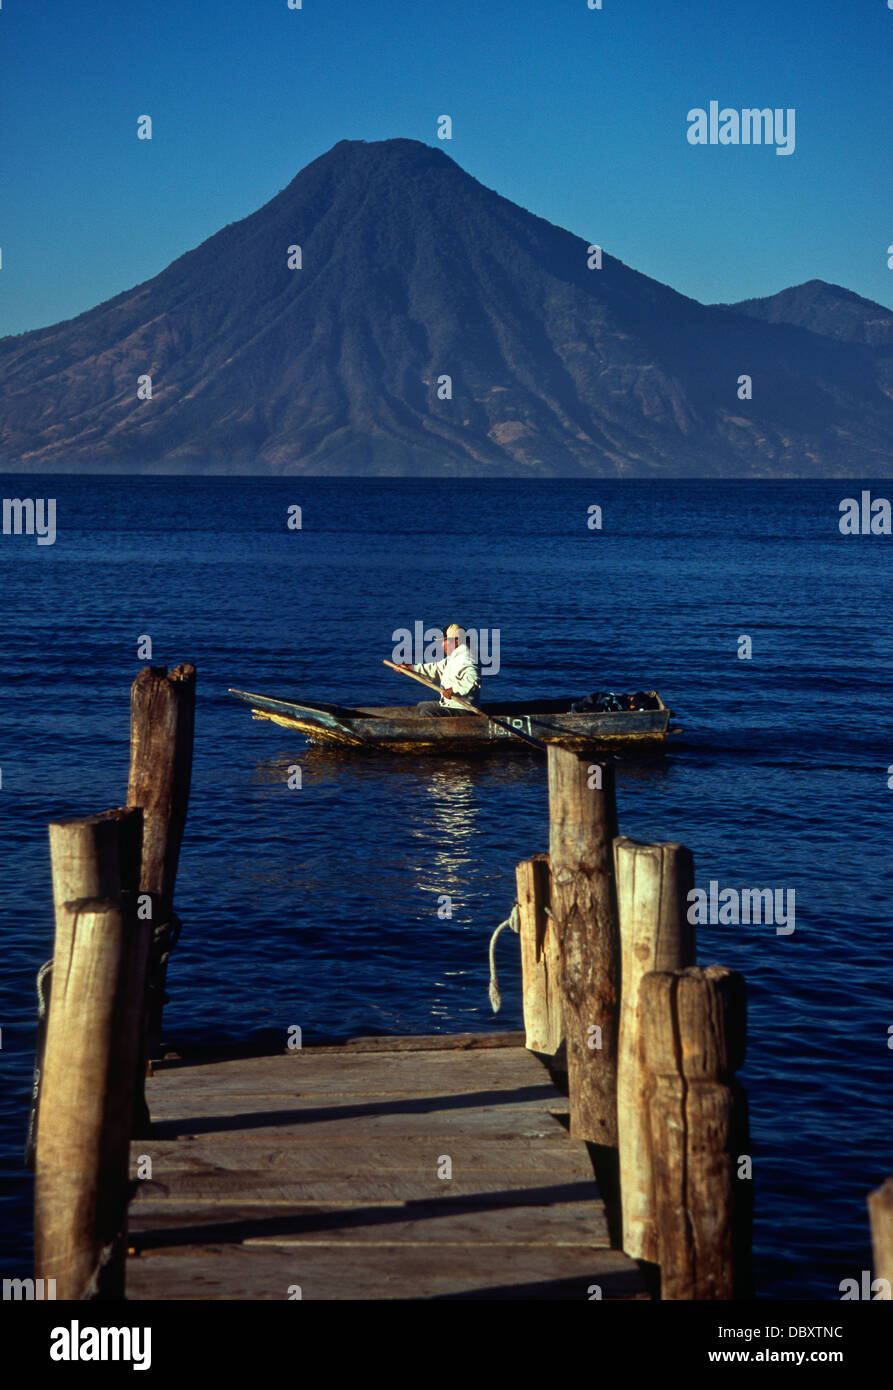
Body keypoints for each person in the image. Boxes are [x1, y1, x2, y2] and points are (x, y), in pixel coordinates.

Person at [402, 623, 482, 716]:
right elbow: (436, 669)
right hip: (451, 705)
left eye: (444, 641)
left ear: (456, 642)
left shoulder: (466, 658)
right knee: (422, 706)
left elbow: (473, 681)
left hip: (463, 709)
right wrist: (411, 668)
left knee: (427, 712)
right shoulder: (454, 657)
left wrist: (454, 690)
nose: (441, 645)